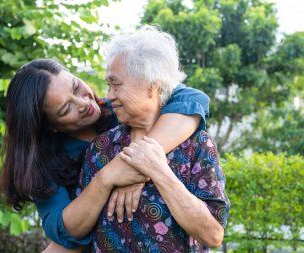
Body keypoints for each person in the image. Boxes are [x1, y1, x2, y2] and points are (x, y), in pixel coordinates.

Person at [0, 56, 211, 252]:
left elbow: (192, 100)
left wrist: (135, 163)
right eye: (65, 109)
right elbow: (63, 232)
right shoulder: (44, 162)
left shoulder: (122, 109)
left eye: (76, 87)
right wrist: (106, 178)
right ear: (50, 126)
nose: (83, 103)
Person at [79, 25, 230, 252]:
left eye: (116, 84)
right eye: (108, 85)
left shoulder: (197, 145)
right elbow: (80, 231)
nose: (109, 96)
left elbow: (213, 234)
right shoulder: (101, 148)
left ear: (152, 86)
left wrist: (158, 170)